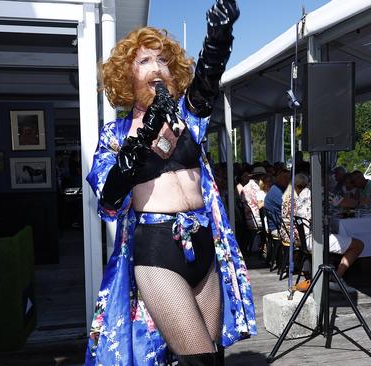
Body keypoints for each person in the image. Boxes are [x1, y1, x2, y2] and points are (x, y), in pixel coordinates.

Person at [85, 1, 256, 365]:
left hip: (204, 245)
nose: (156, 67)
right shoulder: (115, 136)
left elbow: (207, 83)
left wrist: (218, 38)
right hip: (158, 250)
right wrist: (132, 158)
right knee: (199, 359)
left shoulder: (188, 119)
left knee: (212, 356)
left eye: (162, 59)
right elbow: (109, 202)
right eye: (144, 61)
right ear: (126, 75)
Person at [281, 173, 363, 287]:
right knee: (358, 245)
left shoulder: (304, 191)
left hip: (303, 238)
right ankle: (336, 279)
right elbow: (345, 202)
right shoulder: (321, 191)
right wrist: (361, 202)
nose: (333, 183)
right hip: (315, 239)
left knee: (337, 233)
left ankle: (332, 274)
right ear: (325, 181)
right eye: (331, 180)